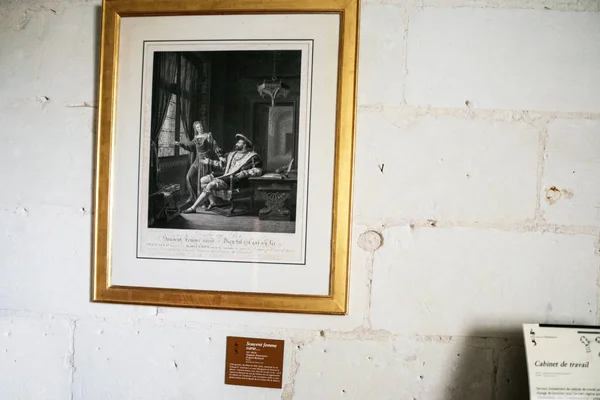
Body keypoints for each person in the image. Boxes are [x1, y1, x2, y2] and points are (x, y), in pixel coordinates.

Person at [183, 133, 263, 213]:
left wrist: (245, 173)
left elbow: (258, 170)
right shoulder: (232, 154)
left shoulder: (252, 157)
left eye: (239, 143)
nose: (236, 144)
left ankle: (193, 208)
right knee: (203, 180)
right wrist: (209, 162)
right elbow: (223, 165)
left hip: (237, 181)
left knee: (211, 185)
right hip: (227, 177)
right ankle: (213, 202)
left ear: (244, 145)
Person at [174, 121, 223, 203]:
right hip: (197, 160)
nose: (200, 128)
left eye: (200, 126)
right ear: (195, 129)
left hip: (205, 160)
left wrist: (220, 155)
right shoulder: (196, 137)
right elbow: (190, 147)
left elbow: (215, 146)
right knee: (188, 177)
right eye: (198, 127)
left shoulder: (208, 135)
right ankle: (193, 197)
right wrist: (181, 144)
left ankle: (204, 201)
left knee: (203, 181)